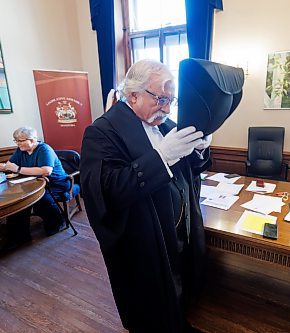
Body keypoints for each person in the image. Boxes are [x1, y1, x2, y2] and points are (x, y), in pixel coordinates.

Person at [80, 59, 212, 332]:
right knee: (151, 301)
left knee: (179, 283)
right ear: (133, 95)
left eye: (171, 100)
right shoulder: (102, 132)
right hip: (144, 237)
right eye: (161, 99)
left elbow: (190, 169)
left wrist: (199, 149)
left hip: (177, 227)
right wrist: (162, 156)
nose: (166, 108)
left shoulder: (165, 124)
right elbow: (108, 192)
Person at [0, 126, 69, 239]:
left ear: (32, 140)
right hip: (34, 182)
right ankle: (19, 237)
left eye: (20, 141)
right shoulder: (21, 151)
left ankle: (57, 223)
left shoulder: (44, 149)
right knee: (19, 201)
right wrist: (2, 166)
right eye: (16, 141)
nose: (18, 144)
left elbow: (46, 170)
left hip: (56, 182)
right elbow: (10, 164)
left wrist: (18, 169)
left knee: (42, 200)